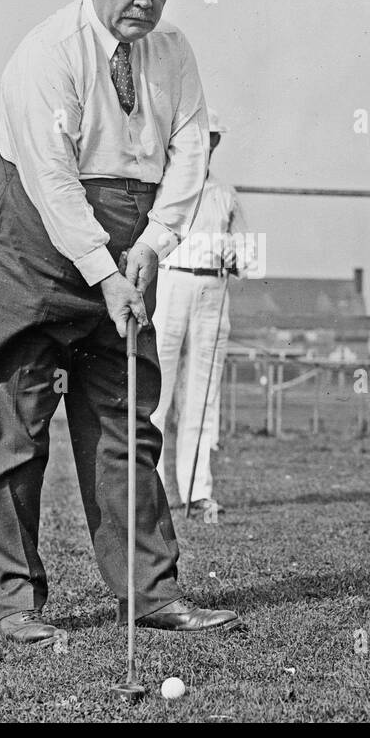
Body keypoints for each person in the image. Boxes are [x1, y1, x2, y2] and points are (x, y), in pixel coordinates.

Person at [0, 0, 241, 646]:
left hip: (128, 229)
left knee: (124, 414)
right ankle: (16, 602)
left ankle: (149, 592)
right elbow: (53, 180)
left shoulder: (175, 53)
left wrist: (156, 242)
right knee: (15, 421)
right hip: (29, 236)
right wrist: (102, 272)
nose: (145, 1)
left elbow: (188, 147)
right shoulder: (46, 55)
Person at [151, 112, 249, 517]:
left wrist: (237, 255)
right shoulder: (162, 187)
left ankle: (197, 490)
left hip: (212, 291)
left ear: (215, 145)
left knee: (203, 393)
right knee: (156, 388)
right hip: (170, 284)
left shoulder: (225, 194)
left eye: (209, 139)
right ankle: (150, 490)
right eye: (195, 138)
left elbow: (249, 253)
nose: (202, 146)